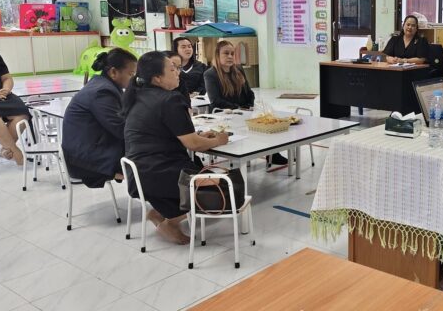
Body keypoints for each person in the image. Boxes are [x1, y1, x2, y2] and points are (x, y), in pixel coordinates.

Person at [123, 51, 229, 244]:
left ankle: (159, 213)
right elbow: (193, 144)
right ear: (157, 78)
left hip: (138, 173)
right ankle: (169, 223)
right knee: (223, 189)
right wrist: (218, 141)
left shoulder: (138, 96)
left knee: (206, 179)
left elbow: (163, 133)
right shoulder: (170, 99)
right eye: (172, 69)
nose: (178, 73)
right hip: (162, 172)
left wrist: (197, 136)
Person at [204, 41, 288, 166]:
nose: (230, 56)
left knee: (265, 124)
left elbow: (249, 92)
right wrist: (238, 108)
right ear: (217, 55)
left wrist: (249, 105)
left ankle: (272, 154)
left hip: (243, 111)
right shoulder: (210, 74)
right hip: (225, 115)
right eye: (226, 53)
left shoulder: (238, 69)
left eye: (232, 53)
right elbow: (215, 101)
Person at [62, 48, 137, 187]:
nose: (133, 79)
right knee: (150, 157)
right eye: (131, 74)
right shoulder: (102, 92)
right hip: (86, 158)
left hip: (86, 149)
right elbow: (120, 128)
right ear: (113, 72)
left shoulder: (102, 84)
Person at [0, 33, 29, 165]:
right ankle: (17, 153)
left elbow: (7, 78)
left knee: (22, 112)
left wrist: (6, 89)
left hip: (1, 94)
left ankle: (5, 149)